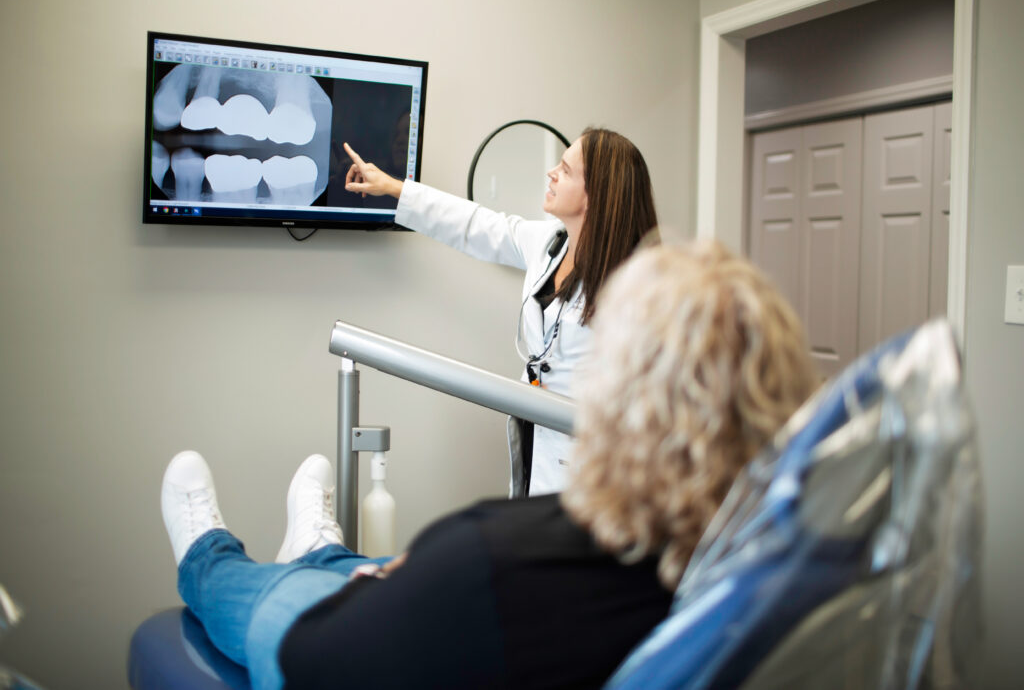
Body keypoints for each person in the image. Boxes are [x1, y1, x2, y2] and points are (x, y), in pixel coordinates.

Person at [161, 239, 820, 690]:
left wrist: (401, 591)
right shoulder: (777, 582)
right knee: (365, 571)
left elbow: (316, 661)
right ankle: (321, 547)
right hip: (460, 616)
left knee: (278, 597)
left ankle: (206, 552)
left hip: (334, 644)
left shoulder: (491, 554)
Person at [342, 128, 658, 496]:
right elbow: (474, 224)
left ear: (597, 194)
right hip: (534, 431)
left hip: (596, 461)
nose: (551, 172)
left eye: (566, 170)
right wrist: (395, 188)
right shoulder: (550, 243)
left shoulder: (638, 284)